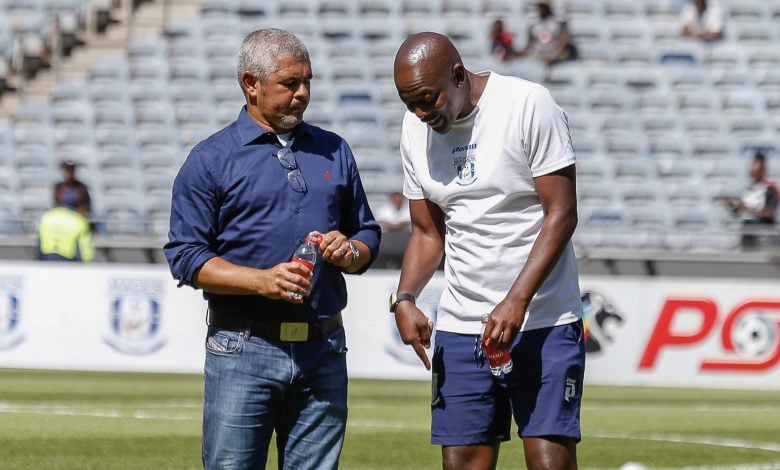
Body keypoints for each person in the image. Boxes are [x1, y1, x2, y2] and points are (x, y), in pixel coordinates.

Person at [163, 28, 381, 469]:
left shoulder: (334, 149)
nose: (303, 94)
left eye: (308, 82)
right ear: (250, 83)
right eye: (289, 83)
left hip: (324, 347)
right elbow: (185, 257)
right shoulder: (209, 160)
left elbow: (367, 233)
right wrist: (261, 281)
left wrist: (351, 252)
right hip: (243, 348)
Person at [391, 32, 584, 470]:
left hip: (543, 321)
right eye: (410, 104)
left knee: (549, 461)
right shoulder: (413, 128)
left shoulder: (528, 104)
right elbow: (426, 232)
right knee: (463, 463)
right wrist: (404, 297)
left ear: (457, 74)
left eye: (427, 99)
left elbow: (562, 214)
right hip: (461, 328)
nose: (421, 114)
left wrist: (516, 301)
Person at [724, 152, 778, 248]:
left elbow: (770, 214)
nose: (751, 168)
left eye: (755, 164)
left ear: (762, 169)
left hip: (762, 234)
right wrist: (732, 205)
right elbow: (739, 211)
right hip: (747, 232)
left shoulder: (770, 188)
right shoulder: (748, 189)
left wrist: (749, 209)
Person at [516, 0, 577, 67]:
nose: (541, 9)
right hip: (538, 55)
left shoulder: (557, 22)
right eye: (540, 6)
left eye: (544, 6)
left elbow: (563, 41)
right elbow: (528, 44)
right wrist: (519, 54)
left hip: (555, 56)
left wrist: (553, 55)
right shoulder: (534, 23)